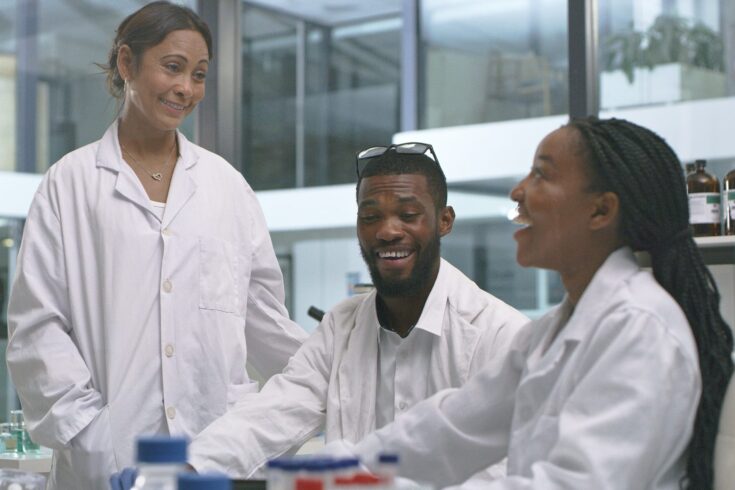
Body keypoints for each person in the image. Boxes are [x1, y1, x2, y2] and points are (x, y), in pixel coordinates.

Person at [337, 117, 734, 489]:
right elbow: (450, 427)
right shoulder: (552, 331)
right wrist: (341, 471)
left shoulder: (641, 329)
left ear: (601, 210)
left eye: (541, 174)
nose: (518, 191)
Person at [6, 3, 306, 489]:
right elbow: (37, 329)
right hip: (107, 459)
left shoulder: (227, 187)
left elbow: (264, 320)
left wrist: (334, 372)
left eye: (199, 74)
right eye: (172, 67)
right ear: (127, 64)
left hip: (213, 457)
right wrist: (91, 435)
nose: (186, 88)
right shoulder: (70, 184)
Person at [180, 144, 528, 485]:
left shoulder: (501, 336)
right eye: (370, 216)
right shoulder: (341, 327)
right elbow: (271, 416)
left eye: (408, 215)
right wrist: (185, 470)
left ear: (444, 221)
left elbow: (509, 472)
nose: (388, 231)